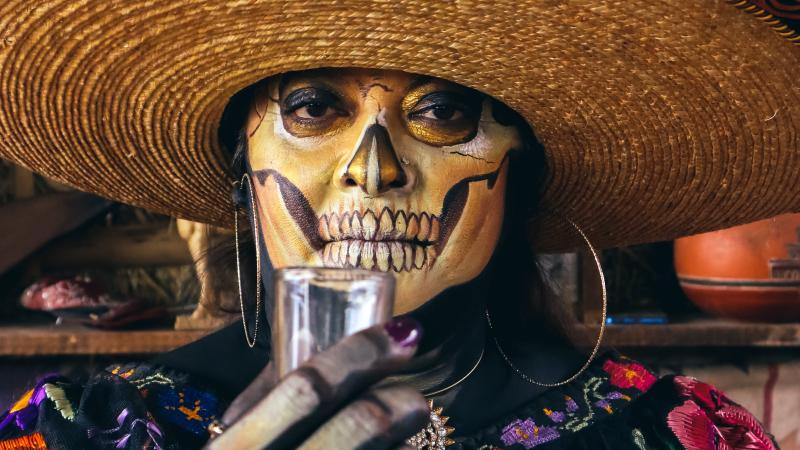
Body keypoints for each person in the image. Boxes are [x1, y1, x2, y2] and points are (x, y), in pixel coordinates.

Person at [1, 1, 799, 449]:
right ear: (240, 173)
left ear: (518, 179)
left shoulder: (678, 437)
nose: (374, 167)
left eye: (444, 114)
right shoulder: (80, 432)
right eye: (314, 108)